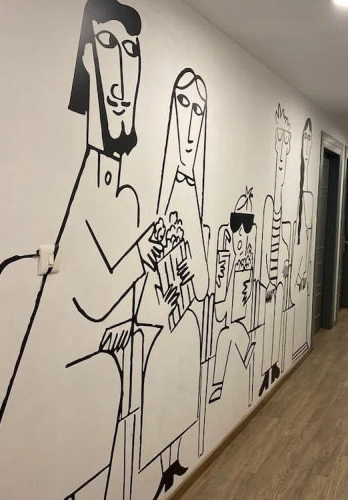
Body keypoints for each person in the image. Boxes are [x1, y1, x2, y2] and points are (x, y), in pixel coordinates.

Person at [0, 1, 162, 498]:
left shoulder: (121, 191)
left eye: (131, 51)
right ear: (86, 59)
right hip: (42, 406)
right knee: (112, 380)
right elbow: (92, 293)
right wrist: (144, 257)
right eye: (107, 44)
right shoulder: (83, 181)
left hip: (83, 375)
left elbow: (104, 299)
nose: (122, 72)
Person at [136, 68, 210, 499]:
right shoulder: (156, 193)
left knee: (182, 369)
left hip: (183, 315)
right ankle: (159, 464)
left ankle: (176, 458)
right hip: (155, 319)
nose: (191, 122)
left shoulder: (191, 191)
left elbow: (202, 279)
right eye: (183, 104)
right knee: (163, 374)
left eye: (199, 110)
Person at [209, 188, 257, 404]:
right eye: (237, 229)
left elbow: (242, 291)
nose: (241, 237)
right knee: (226, 334)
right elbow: (222, 287)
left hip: (234, 308)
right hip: (229, 309)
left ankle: (217, 385)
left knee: (225, 334)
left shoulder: (245, 258)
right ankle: (246, 349)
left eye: (245, 230)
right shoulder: (228, 254)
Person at [258, 105, 292, 397]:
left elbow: (281, 240)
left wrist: (284, 266)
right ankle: (266, 371)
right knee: (267, 323)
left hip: (278, 279)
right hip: (267, 283)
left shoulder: (282, 203)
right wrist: (267, 280)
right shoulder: (269, 203)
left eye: (286, 141)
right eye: (279, 139)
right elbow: (262, 245)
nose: (282, 151)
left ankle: (276, 365)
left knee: (278, 321)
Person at [291, 118, 315, 362]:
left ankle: (301, 343)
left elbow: (306, 237)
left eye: (310, 138)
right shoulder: (298, 193)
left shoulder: (308, 196)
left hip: (301, 266)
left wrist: (303, 271)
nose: (307, 144)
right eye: (305, 138)